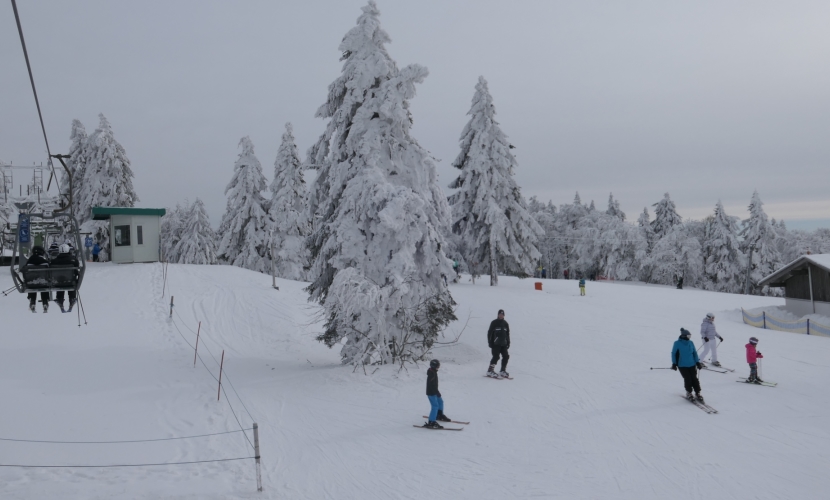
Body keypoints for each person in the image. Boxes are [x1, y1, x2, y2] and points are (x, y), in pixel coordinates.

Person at [672, 328, 706, 402]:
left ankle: (697, 393)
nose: (689, 338)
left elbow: (694, 353)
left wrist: (697, 362)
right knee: (688, 379)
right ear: (684, 336)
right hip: (682, 365)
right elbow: (674, 353)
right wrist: (674, 363)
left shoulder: (691, 342)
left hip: (692, 364)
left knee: (694, 379)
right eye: (688, 336)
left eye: (690, 336)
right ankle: (689, 392)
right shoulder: (677, 343)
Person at [424, 359, 451, 429]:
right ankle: (431, 421)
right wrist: (436, 392)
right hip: (431, 393)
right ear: (434, 366)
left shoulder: (434, 372)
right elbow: (431, 385)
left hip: (435, 391)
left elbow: (434, 385)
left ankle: (439, 415)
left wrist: (437, 391)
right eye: (437, 366)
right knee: (435, 406)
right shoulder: (431, 374)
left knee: (440, 402)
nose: (438, 367)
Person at [52, 244, 79, 312]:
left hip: (58, 282)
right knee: (71, 280)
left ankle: (60, 299)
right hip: (71, 282)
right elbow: (77, 268)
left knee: (61, 280)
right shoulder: (73, 260)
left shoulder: (54, 261)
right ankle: (72, 298)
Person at [23, 246, 50, 313]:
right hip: (44, 283)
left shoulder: (28, 262)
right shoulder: (45, 262)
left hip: (31, 283)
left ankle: (32, 301)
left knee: (32, 283)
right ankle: (45, 301)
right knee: (44, 284)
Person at [487, 309, 510, 378]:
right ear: (498, 315)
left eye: (502, 315)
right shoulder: (494, 322)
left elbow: (507, 334)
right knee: (496, 356)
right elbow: (490, 333)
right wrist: (490, 342)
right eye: (500, 314)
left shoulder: (505, 323)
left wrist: (508, 342)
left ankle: (503, 370)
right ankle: (490, 370)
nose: (501, 316)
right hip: (495, 344)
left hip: (504, 344)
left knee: (506, 356)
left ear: (504, 315)